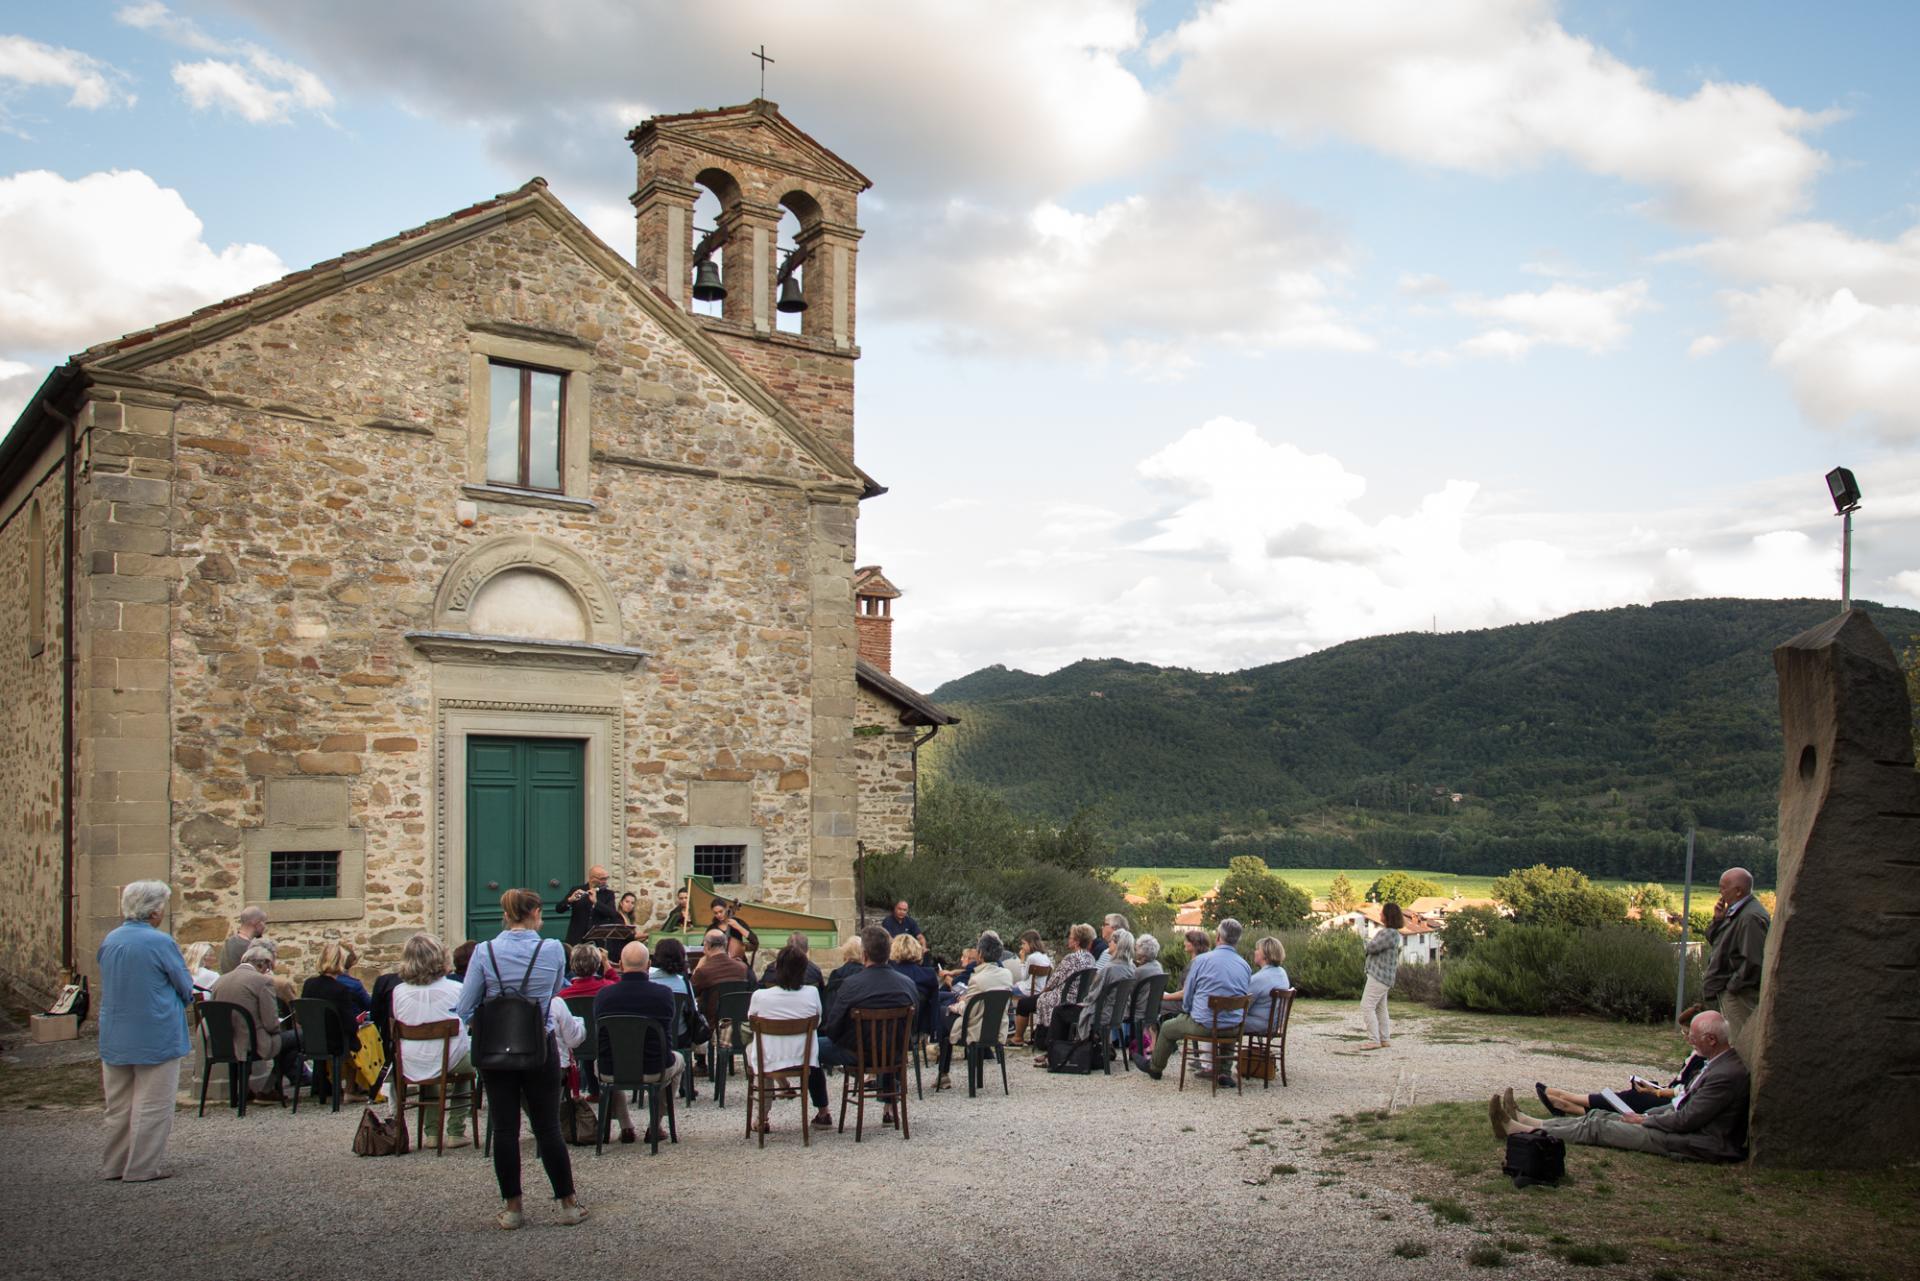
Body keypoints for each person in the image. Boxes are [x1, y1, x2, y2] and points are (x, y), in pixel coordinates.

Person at [456, 888, 585, 1231]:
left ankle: (513, 1207)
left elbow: (465, 1006)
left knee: (504, 1128)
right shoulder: (553, 948)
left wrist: (492, 1018)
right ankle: (568, 1204)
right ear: (535, 912)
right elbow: (555, 988)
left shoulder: (484, 952)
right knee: (547, 1127)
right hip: (538, 1046)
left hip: (496, 1050)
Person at [1493, 1011, 1750, 1163]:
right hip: (1680, 1131)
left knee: (1598, 1127)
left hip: (1693, 1143)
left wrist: (1646, 1120)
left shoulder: (1724, 1075)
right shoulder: (1720, 1064)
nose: (1691, 1043)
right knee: (1597, 1115)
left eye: (1694, 1039)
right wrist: (1647, 1116)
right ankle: (1530, 1124)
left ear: (1712, 1040)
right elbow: (1682, 1108)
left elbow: (1687, 1120)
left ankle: (1518, 1130)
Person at [99, 880, 194, 1183]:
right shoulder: (159, 942)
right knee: (153, 1104)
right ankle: (141, 1167)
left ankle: (114, 1165)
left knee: (119, 1106)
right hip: (156, 1030)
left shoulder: (111, 939)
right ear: (155, 910)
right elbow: (184, 985)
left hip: (116, 1032)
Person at [819, 926, 921, 1126]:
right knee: (890, 1041)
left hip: (857, 1053)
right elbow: (913, 1025)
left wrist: (845, 1039)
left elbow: (832, 1027)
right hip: (894, 1052)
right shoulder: (907, 984)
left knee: (811, 1047)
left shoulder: (851, 985)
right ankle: (890, 1108)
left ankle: (822, 1111)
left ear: (864, 955)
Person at [1531, 1007, 1709, 1118]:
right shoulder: (1699, 1054)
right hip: (1670, 1096)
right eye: (1685, 1034)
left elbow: (1685, 1090)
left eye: (1688, 1034)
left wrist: (1657, 1092)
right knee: (1633, 1094)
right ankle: (1568, 1103)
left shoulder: (1703, 1059)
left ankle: (1566, 1099)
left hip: (1672, 1102)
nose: (1686, 1038)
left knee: (1633, 1098)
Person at [1137, 918, 1251, 1084]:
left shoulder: (1201, 961)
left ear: (1218, 937)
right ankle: (1224, 1072)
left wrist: (1189, 1011)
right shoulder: (1245, 966)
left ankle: (1155, 1068)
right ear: (1238, 939)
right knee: (1227, 1019)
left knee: (1168, 1028)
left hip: (1204, 1025)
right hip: (1234, 1028)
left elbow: (1188, 995)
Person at [390, 933, 475, 1148]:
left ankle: (431, 1132)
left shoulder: (398, 992)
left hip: (411, 1060)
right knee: (468, 1060)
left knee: (431, 1057)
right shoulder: (456, 989)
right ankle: (456, 1129)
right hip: (449, 1058)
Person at [593, 940, 683, 1141]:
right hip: (654, 1068)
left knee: (600, 1063)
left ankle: (626, 1127)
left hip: (612, 1070)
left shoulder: (603, 996)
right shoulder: (663, 995)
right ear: (649, 964)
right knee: (680, 1060)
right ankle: (655, 1124)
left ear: (621, 966)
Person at [746, 944, 833, 1131]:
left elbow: (752, 1021)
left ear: (777, 968)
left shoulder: (760, 996)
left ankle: (761, 1117)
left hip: (770, 1057)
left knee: (757, 1052)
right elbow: (817, 1022)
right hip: (802, 1057)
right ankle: (822, 1110)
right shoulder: (811, 994)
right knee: (810, 1047)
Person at [210, 943, 301, 1100]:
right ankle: (269, 1088)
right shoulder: (262, 982)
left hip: (224, 1044)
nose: (268, 971)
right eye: (268, 966)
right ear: (263, 963)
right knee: (299, 1037)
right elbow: (271, 1025)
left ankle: (245, 1090)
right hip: (254, 1045)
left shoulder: (220, 981)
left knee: (283, 1039)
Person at [1702, 867, 1769, 1058]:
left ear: (1738, 891)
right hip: (1731, 991)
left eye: (1723, 888)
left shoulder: (1750, 917)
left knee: (1739, 1046)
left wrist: (1732, 987)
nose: (1719, 892)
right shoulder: (1737, 913)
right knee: (1731, 1043)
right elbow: (1717, 942)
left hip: (1740, 995)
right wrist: (1717, 920)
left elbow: (1754, 961)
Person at [935, 931, 1014, 1090]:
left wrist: (954, 1007)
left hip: (973, 1028)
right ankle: (953, 1074)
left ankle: (943, 1073)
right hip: (997, 1027)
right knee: (946, 1011)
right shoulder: (1007, 975)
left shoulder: (977, 979)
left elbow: (967, 1009)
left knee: (942, 1012)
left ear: (980, 954)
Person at [301, 941, 370, 1101]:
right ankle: (351, 1089)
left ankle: (330, 1087)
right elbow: (349, 1024)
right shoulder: (340, 989)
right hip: (336, 1044)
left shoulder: (309, 984)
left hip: (312, 1041)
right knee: (361, 1038)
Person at [1032, 924, 1098, 1056]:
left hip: (1066, 997)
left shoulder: (1071, 958)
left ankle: (1043, 1038)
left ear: (1076, 942)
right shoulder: (1091, 958)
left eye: (1070, 937)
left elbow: (1054, 981)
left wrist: (1043, 991)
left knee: (1042, 999)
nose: (1068, 939)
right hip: (1081, 997)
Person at [1358, 903, 1404, 1051]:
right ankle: (1384, 1039)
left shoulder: (1388, 933)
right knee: (1380, 1008)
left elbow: (1371, 947)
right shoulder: (1394, 933)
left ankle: (1374, 1040)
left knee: (1367, 1006)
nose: (1380, 915)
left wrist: (1365, 939)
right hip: (1385, 977)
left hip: (1379, 976)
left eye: (1382, 913)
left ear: (1388, 916)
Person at [691, 928, 751, 1031]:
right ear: (726, 945)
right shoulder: (742, 968)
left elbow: (691, 993)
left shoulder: (704, 971)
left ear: (707, 946)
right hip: (737, 1024)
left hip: (712, 1025)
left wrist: (698, 967)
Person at [556, 865, 622, 948]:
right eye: (602, 879)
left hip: (597, 940)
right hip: (576, 938)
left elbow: (612, 913)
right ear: (592, 878)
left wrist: (596, 902)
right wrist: (570, 900)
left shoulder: (608, 894)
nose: (605, 881)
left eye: (606, 878)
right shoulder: (577, 890)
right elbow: (559, 909)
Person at [1246, 937, 1291, 1033]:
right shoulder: (1282, 973)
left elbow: (1242, 1005)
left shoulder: (1260, 978)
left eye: (1257, 949)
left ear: (1265, 955)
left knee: (1223, 1021)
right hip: (1274, 1023)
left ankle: (1220, 1048)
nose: (1255, 952)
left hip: (1260, 1024)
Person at [760, 932, 825, 989]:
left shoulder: (771, 970)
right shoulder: (814, 971)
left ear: (787, 948)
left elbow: (762, 988)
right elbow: (821, 994)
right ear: (807, 949)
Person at [217, 905, 268, 974]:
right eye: (264, 922)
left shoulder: (228, 942)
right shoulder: (250, 949)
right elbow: (259, 977)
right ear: (256, 923)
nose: (264, 927)